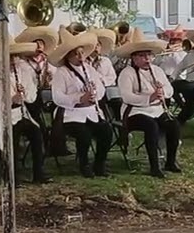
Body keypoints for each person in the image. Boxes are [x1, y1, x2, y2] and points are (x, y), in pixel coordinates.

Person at [115, 29, 180, 177]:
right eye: (142, 56)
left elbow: (170, 89)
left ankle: (170, 161)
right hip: (134, 112)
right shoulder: (127, 73)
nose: (147, 59)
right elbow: (126, 97)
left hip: (156, 110)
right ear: (134, 58)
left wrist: (163, 93)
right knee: (151, 126)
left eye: (149, 55)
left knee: (174, 125)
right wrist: (148, 98)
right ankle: (154, 166)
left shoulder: (157, 70)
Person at [0, 40, 50, 183]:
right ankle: (13, 175)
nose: (14, 60)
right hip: (3, 116)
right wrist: (11, 99)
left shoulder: (24, 72)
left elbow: (32, 97)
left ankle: (38, 172)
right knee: (12, 137)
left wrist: (24, 94)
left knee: (37, 134)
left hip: (22, 113)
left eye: (15, 57)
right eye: (10, 57)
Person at [50, 29, 112, 177]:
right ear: (68, 56)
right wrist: (79, 99)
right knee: (84, 134)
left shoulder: (90, 69)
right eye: (75, 54)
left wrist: (94, 95)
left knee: (107, 132)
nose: (80, 57)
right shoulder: (62, 72)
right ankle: (84, 164)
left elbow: (102, 89)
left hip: (91, 111)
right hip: (71, 114)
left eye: (82, 53)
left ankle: (99, 164)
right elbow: (57, 97)